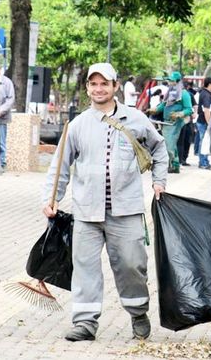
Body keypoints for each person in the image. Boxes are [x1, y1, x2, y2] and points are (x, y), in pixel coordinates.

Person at [42, 62, 168, 342]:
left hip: (126, 210)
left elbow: (159, 149)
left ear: (115, 86)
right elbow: (59, 165)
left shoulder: (135, 119)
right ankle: (85, 322)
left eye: (104, 84)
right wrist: (51, 198)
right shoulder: (77, 125)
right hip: (86, 211)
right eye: (93, 84)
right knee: (85, 267)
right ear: (87, 88)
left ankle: (138, 312)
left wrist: (159, 181)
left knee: (132, 265)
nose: (98, 89)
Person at [152, 71, 193, 173]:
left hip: (175, 122)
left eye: (172, 81)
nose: (170, 82)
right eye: (169, 81)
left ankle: (172, 165)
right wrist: (155, 109)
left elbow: (189, 109)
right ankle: (174, 165)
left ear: (178, 81)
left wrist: (179, 114)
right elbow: (163, 105)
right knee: (169, 144)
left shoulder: (184, 93)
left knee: (169, 144)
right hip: (166, 122)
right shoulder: (170, 92)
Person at [195, 77, 211, 169]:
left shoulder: (205, 94)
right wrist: (210, 123)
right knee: (204, 142)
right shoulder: (206, 95)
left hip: (203, 122)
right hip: (204, 122)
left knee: (204, 141)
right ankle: (203, 162)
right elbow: (206, 110)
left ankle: (204, 161)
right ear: (210, 84)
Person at [177, 82, 197, 166]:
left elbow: (195, 105)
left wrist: (194, 114)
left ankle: (183, 159)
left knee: (184, 140)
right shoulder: (176, 94)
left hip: (187, 121)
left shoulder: (188, 95)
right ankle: (181, 159)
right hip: (181, 120)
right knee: (183, 141)